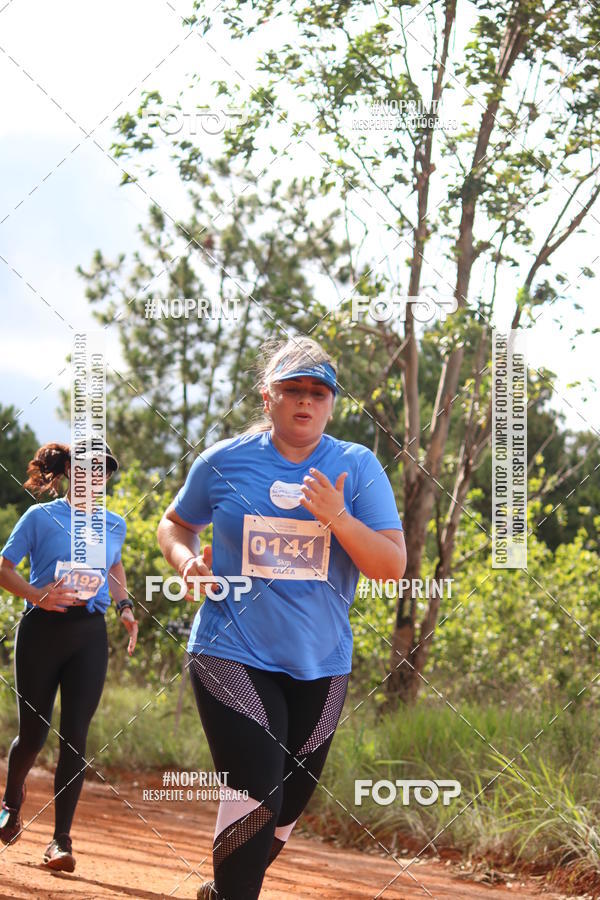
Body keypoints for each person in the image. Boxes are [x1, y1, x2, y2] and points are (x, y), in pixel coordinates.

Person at [157, 336, 406, 899]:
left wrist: (339, 518)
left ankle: (224, 890)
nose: (306, 401)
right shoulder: (223, 461)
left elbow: (391, 566)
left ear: (332, 403)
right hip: (230, 650)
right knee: (255, 793)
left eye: (319, 393)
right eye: (293, 389)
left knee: (285, 809)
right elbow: (174, 524)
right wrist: (185, 561)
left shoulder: (356, 467)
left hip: (321, 662)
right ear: (268, 396)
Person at [0, 439, 138, 871]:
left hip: (88, 634)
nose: (96, 475)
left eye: (104, 469)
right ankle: (11, 801)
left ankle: (60, 842)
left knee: (75, 738)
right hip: (42, 631)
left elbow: (114, 568)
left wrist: (125, 607)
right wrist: (35, 595)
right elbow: (5, 566)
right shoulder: (40, 517)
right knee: (34, 736)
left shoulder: (115, 523)